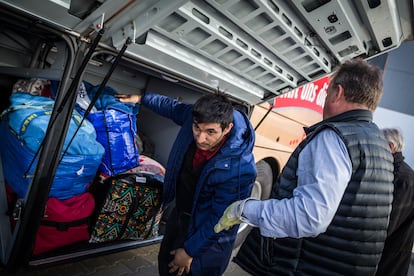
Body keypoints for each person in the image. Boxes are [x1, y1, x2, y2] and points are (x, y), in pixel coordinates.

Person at [215, 58, 395, 275]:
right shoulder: (378, 143)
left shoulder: (333, 138)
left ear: (338, 93)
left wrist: (244, 209)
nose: (324, 100)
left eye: (327, 92)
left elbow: (309, 217)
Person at [116, 92, 256, 275]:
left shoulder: (240, 169)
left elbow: (221, 219)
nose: (200, 138)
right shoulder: (195, 117)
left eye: (210, 132)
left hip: (208, 238)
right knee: (166, 264)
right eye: (197, 128)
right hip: (181, 216)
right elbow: (172, 107)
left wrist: (190, 251)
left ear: (227, 128)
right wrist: (142, 98)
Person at [376, 128, 414, 276]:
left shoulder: (405, 179)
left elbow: (389, 223)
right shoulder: (393, 172)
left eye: (379, 145)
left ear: (391, 147)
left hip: (390, 261)